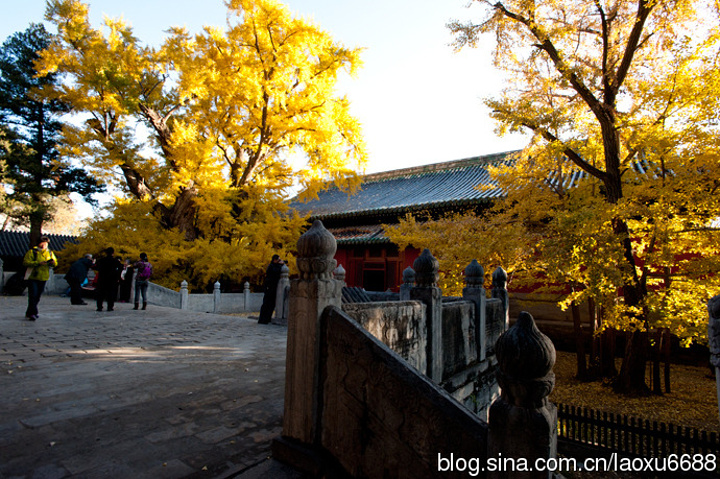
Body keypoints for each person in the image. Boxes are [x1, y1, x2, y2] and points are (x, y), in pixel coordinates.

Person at [22, 236, 58, 321]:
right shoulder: (32, 252)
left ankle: (30, 311)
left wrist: (52, 263)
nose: (44, 245)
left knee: (37, 296)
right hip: (33, 276)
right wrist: (38, 263)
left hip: (44, 277)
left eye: (45, 244)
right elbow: (26, 262)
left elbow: (55, 263)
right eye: (42, 244)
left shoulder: (49, 253)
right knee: (33, 295)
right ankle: (33, 313)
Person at [258, 254, 284, 324]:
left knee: (271, 304)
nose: (279, 261)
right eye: (278, 260)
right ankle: (263, 319)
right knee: (267, 304)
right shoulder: (271, 266)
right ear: (275, 260)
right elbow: (276, 272)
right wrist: (281, 265)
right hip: (269, 288)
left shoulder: (273, 266)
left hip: (271, 287)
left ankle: (266, 319)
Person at [94, 247, 122, 312]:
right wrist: (117, 277)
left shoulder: (101, 260)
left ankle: (99, 307)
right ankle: (110, 307)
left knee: (100, 293)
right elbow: (120, 268)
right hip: (112, 279)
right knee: (110, 294)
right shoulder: (115, 261)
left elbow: (96, 267)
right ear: (113, 253)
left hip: (102, 278)